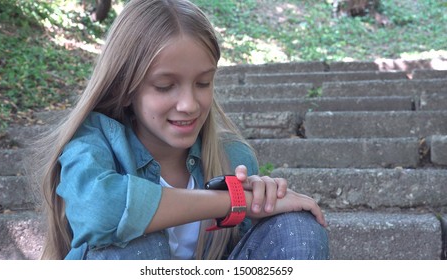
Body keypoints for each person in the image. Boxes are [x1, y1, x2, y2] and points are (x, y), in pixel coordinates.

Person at [35, 0, 329, 260]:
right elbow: (98, 210)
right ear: (125, 88)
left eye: (203, 83)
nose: (189, 104)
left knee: (297, 228)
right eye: (165, 86)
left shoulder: (232, 156)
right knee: (135, 241)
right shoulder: (92, 142)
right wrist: (234, 201)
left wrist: (264, 204)